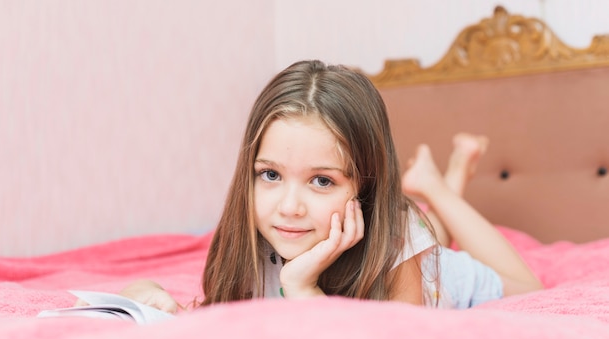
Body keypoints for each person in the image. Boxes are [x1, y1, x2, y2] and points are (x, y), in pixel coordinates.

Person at [116, 60, 543, 312]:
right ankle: (438, 185)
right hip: (412, 253)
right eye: (270, 175)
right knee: (427, 240)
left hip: (442, 278)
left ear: (365, 186)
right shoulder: (251, 241)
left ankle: (440, 185)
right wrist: (154, 298)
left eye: (321, 181)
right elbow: (216, 319)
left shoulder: (394, 238)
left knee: (527, 288)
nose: (288, 207)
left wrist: (303, 287)